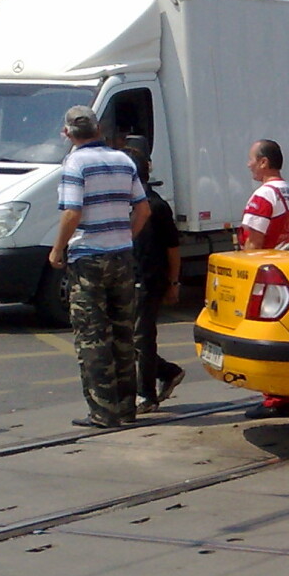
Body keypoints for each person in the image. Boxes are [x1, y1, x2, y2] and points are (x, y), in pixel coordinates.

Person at [51, 105, 150, 429]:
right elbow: (143, 209)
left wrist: (57, 249)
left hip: (88, 258)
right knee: (123, 333)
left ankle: (102, 410)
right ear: (98, 128)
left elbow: (71, 213)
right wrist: (124, 236)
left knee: (93, 336)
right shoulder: (123, 160)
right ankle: (126, 407)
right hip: (121, 255)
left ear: (67, 133)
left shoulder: (74, 163)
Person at [238, 139, 289, 419]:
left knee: (264, 337)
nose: (248, 164)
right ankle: (286, 393)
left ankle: (275, 398)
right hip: (285, 269)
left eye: (252, 159)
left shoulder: (263, 196)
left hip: (266, 274)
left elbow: (252, 243)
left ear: (264, 162)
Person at [126, 149, 185, 415]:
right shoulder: (125, 204)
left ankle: (145, 394)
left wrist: (173, 283)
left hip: (149, 280)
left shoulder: (155, 206)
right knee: (128, 337)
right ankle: (167, 371)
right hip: (126, 278)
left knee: (142, 337)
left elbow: (173, 248)